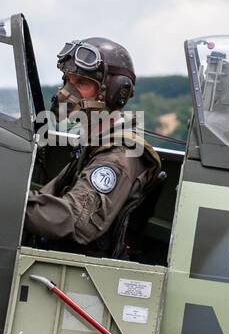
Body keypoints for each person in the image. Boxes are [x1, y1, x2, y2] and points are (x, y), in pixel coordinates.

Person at [26, 38, 162, 259]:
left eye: (81, 83)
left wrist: (12, 204)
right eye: (67, 82)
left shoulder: (117, 156)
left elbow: (74, 220)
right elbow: (45, 197)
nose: (66, 93)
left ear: (115, 92)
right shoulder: (92, 145)